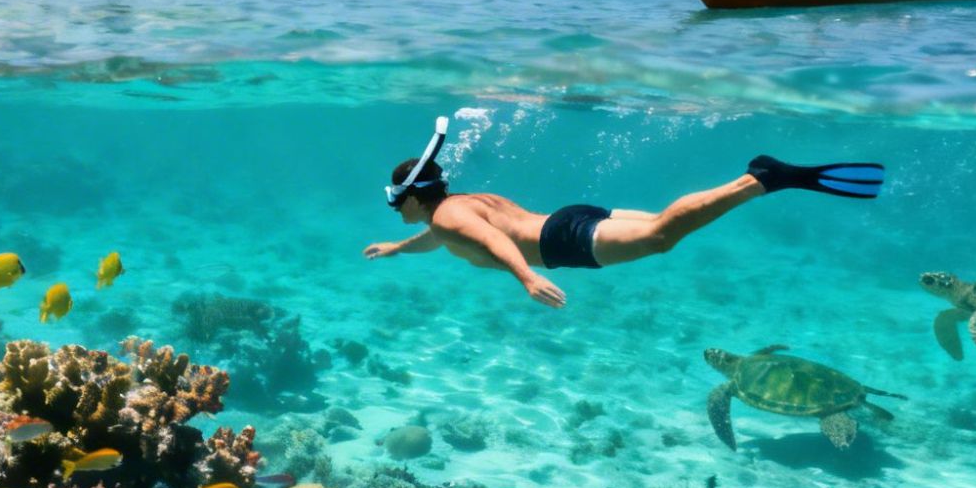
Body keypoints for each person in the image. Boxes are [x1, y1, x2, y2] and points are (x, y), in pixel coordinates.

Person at [364, 117, 882, 308]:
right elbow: (455, 236)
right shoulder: (454, 209)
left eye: (394, 201)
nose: (394, 209)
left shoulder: (449, 218)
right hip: (567, 219)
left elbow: (492, 244)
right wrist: (396, 250)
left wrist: (524, 279)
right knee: (662, 222)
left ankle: (761, 179)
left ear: (412, 195)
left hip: (562, 243)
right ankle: (759, 178)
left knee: (662, 236)